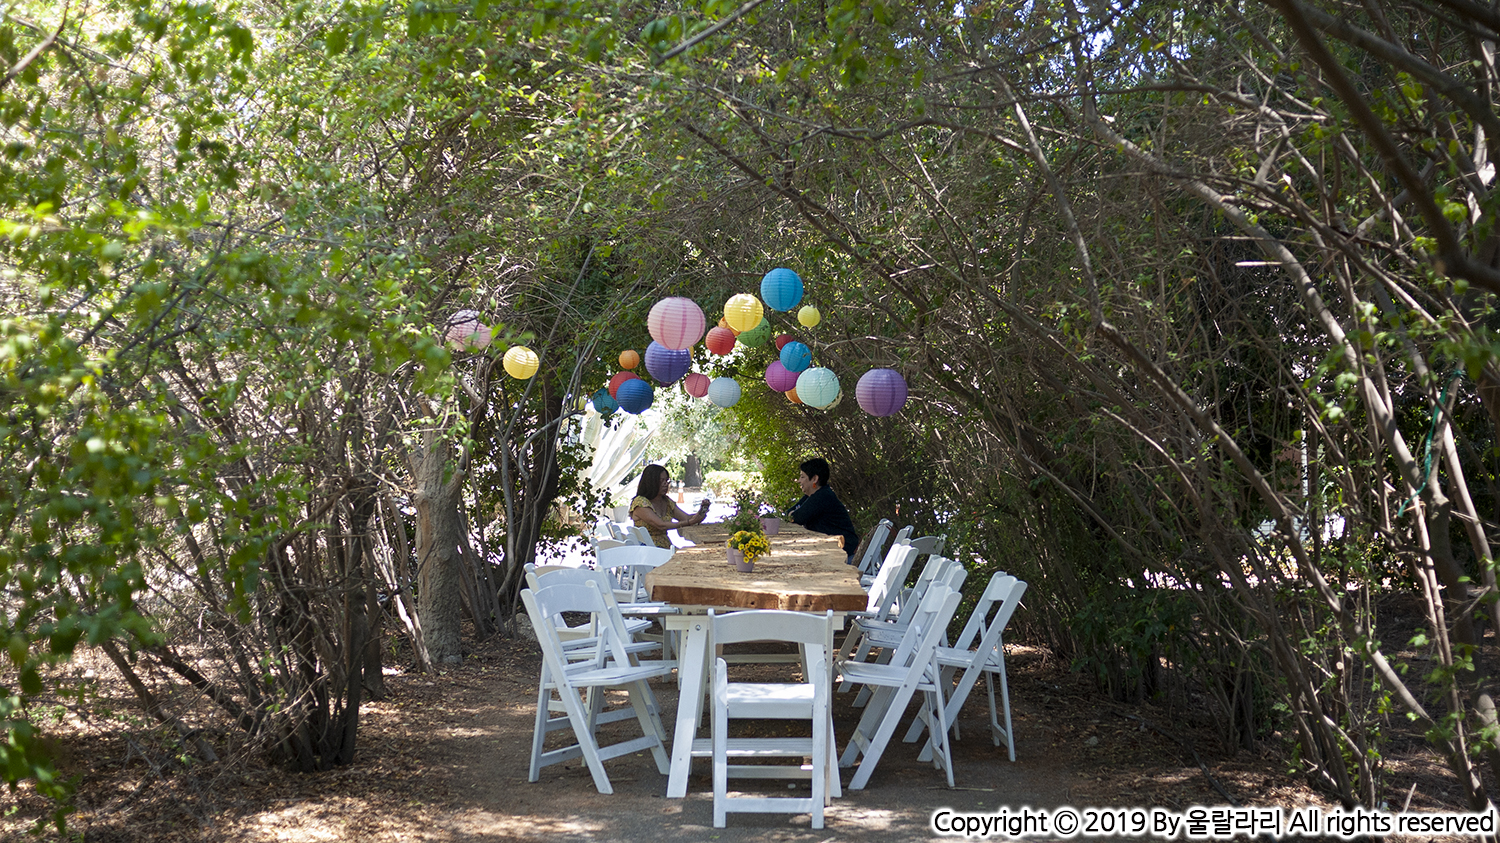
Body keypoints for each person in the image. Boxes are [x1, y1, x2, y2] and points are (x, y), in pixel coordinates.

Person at [786, 457, 861, 564]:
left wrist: (793, 514)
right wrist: (793, 514)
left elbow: (796, 518)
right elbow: (788, 513)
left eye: (802, 477)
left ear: (814, 479)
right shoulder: (812, 495)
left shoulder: (823, 496)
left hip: (842, 552)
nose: (799, 481)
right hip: (829, 549)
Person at [629, 464, 711, 549]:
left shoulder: (666, 501)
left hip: (665, 547)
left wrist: (702, 512)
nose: (665, 484)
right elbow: (661, 525)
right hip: (649, 551)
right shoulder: (640, 503)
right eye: (661, 481)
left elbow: (686, 518)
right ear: (651, 482)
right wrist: (690, 522)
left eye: (667, 481)